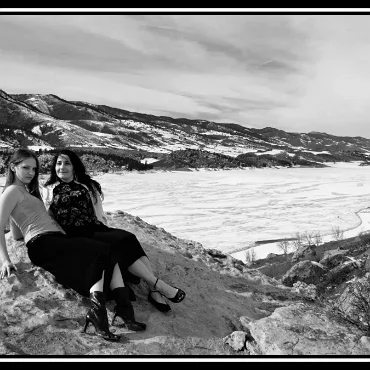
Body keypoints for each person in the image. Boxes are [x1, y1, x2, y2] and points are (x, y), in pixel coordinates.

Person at [0, 149, 184, 342]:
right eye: (25, 168)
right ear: (13, 167)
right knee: (100, 252)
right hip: (43, 242)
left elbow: (16, 233)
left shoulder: (25, 191)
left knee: (108, 252)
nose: (31, 172)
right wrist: (5, 259)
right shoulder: (12, 190)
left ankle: (124, 313)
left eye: (34, 168)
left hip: (56, 239)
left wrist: (21, 222)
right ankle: (100, 315)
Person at [42, 149, 185, 313]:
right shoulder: (49, 190)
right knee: (116, 245)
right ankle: (158, 285)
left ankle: (154, 288)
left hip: (94, 228)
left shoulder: (84, 186)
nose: (62, 167)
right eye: (59, 163)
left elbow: (97, 212)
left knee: (127, 238)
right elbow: (50, 218)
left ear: (74, 166)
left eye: (67, 163)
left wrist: (103, 226)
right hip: (77, 235)